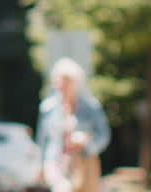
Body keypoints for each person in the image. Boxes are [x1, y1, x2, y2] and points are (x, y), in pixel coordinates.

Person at [36, 58, 111, 192]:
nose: (62, 85)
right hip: (56, 162)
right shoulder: (48, 108)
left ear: (75, 82)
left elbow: (103, 135)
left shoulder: (91, 107)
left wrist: (86, 143)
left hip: (82, 162)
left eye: (66, 81)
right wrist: (40, 166)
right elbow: (42, 140)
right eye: (59, 81)